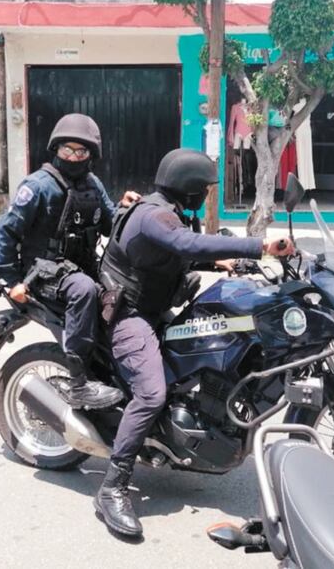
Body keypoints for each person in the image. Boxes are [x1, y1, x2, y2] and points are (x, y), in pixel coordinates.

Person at [94, 148, 295, 537]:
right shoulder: (154, 215)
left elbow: (181, 252)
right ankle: (112, 487)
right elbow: (186, 246)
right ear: (188, 189)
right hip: (129, 314)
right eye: (203, 189)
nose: (206, 195)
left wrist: (229, 262)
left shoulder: (176, 212)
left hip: (153, 307)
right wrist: (260, 246)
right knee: (151, 393)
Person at [0, 113, 139, 409]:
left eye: (81, 151)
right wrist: (10, 282)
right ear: (56, 150)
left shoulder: (92, 184)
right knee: (84, 289)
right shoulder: (38, 186)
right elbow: (6, 231)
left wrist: (127, 210)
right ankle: (78, 384)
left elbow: (111, 225)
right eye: (67, 150)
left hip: (79, 267)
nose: (73, 156)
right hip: (42, 273)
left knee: (124, 294)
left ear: (90, 155)